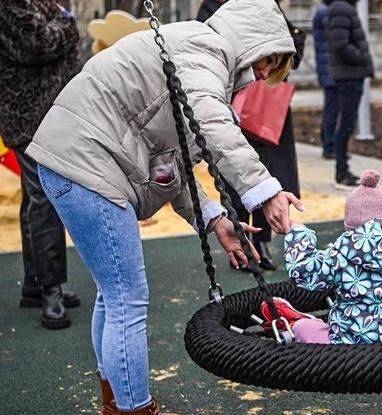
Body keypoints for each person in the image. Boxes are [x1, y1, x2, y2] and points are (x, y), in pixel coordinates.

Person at [27, 0, 302, 413]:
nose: (263, 74)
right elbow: (213, 124)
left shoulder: (193, 55)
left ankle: (117, 400)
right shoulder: (201, 49)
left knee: (114, 294)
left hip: (74, 161)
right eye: (267, 61)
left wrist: (217, 220)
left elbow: (171, 169)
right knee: (128, 298)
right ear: (251, 42)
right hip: (87, 164)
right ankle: (134, 407)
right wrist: (264, 190)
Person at [261, 170, 382, 344]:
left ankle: (299, 322)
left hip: (351, 348)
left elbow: (305, 273)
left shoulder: (343, 253)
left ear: (351, 228)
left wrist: (297, 233)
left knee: (304, 329)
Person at [197, 0, 304, 272]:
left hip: (269, 110)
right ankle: (244, 237)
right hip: (234, 104)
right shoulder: (215, 6)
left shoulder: (267, 5)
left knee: (272, 171)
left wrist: (291, 35)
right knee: (235, 168)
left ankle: (264, 239)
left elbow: (293, 54)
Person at [0, 0, 82, 329]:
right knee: (45, 197)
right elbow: (36, 43)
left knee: (35, 196)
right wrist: (68, 24)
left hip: (38, 112)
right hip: (30, 115)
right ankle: (50, 291)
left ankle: (36, 283)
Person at [325, 0, 374, 188]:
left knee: (346, 123)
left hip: (349, 74)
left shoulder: (341, 8)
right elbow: (341, 44)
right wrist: (361, 58)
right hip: (349, 75)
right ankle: (342, 172)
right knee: (346, 123)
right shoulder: (342, 9)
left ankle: (343, 170)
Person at [313, 0, 337, 159]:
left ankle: (329, 144)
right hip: (331, 69)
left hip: (329, 68)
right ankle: (329, 146)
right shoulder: (325, 12)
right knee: (333, 109)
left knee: (332, 108)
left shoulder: (323, 11)